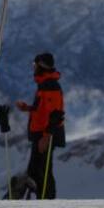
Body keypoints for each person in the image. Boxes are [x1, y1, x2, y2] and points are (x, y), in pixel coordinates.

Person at [15, 52, 65, 199]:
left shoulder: (50, 86)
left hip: (45, 134)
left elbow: (56, 113)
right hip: (41, 133)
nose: (34, 68)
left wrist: (46, 136)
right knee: (36, 170)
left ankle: (46, 201)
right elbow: (43, 109)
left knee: (43, 170)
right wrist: (28, 108)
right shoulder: (44, 85)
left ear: (41, 66)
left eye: (35, 65)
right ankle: (41, 199)